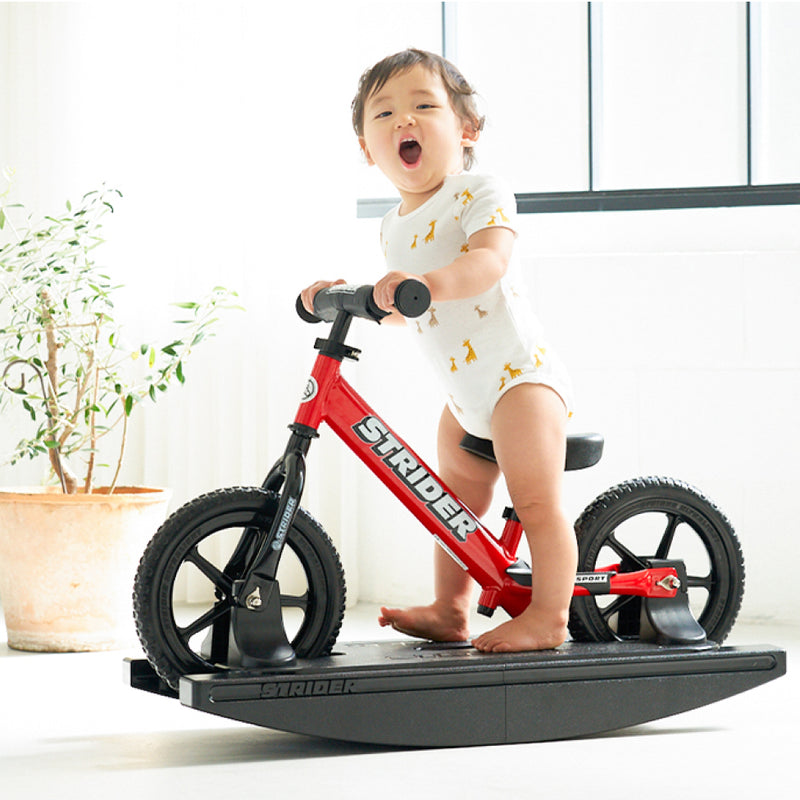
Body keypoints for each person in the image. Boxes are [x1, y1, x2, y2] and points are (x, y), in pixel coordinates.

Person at [301, 49, 576, 652]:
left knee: (535, 501)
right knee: (450, 506)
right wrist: (349, 297)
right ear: (366, 148)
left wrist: (425, 283)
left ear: (466, 129)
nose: (404, 120)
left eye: (424, 106)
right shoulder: (392, 224)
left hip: (519, 380)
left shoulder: (479, 191)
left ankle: (550, 616)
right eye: (384, 114)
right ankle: (451, 609)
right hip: (465, 394)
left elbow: (488, 262)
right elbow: (411, 306)